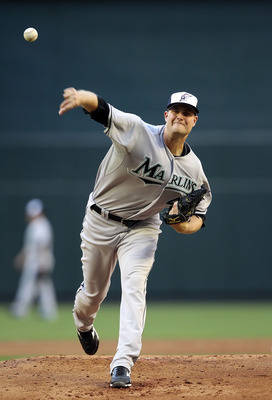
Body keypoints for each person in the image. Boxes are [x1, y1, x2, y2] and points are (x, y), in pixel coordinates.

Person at [59, 88, 212, 388]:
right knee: (92, 295)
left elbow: (199, 219)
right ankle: (83, 324)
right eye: (175, 110)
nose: (180, 115)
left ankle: (123, 362)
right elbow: (102, 109)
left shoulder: (194, 171)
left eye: (187, 112)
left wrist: (181, 224)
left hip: (143, 228)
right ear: (166, 115)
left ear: (194, 121)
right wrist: (82, 98)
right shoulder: (138, 132)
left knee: (134, 284)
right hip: (100, 220)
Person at [10, 198, 57, 320]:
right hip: (34, 261)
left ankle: (22, 309)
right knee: (41, 286)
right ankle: (47, 311)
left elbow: (43, 246)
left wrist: (42, 263)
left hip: (39, 261)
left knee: (34, 285)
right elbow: (30, 247)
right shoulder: (36, 225)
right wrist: (22, 257)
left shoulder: (41, 225)